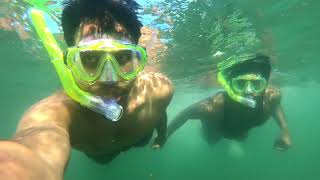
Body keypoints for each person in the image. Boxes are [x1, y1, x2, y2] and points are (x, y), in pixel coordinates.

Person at [0, 0, 173, 179]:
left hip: (140, 139)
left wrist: (162, 135)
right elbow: (35, 145)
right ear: (69, 63)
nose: (109, 79)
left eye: (123, 57)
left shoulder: (160, 90)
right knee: (103, 159)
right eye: (90, 59)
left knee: (142, 140)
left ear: (140, 61)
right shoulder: (56, 113)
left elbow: (160, 111)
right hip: (101, 155)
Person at [168, 53, 291, 151]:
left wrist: (285, 130)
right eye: (240, 84)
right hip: (216, 128)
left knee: (241, 136)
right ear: (230, 86)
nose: (249, 91)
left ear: (264, 85)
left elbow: (275, 106)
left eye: (256, 84)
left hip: (241, 129)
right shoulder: (212, 107)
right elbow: (185, 115)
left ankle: (234, 144)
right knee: (211, 141)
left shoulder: (271, 97)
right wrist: (163, 136)